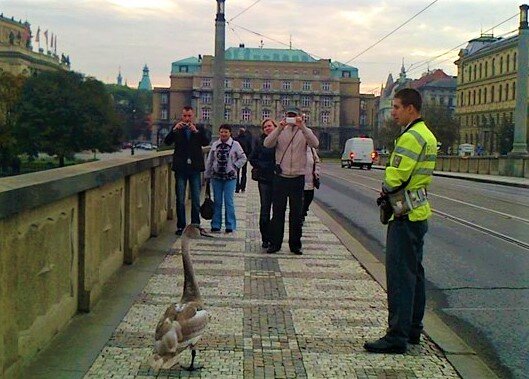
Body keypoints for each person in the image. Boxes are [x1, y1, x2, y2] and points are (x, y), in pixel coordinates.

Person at [364, 88, 437, 354]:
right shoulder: (427, 134)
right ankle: (413, 329)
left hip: (404, 213)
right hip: (419, 212)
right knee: (414, 274)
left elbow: (397, 177)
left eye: (396, 107)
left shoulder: (410, 137)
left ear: (410, 108)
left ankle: (396, 336)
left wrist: (385, 186)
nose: (393, 112)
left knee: (399, 277)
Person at [264, 107, 319, 255]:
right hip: (281, 177)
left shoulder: (304, 131)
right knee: (278, 213)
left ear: (300, 116)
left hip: (298, 177)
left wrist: (303, 126)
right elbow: (267, 143)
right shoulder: (281, 131)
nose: (292, 119)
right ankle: (275, 243)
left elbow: (315, 143)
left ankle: (295, 245)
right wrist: (279, 128)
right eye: (289, 116)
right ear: (285, 116)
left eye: (294, 116)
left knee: (296, 214)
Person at [164, 106, 211, 236]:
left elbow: (206, 142)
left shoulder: (199, 128)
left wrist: (196, 131)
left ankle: (195, 224)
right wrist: (173, 130)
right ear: (182, 116)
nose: (187, 119)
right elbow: (167, 142)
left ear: (193, 116)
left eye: (189, 116)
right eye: (184, 116)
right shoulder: (177, 129)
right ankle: (181, 226)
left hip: (195, 168)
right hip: (181, 168)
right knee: (180, 198)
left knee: (196, 198)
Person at [204, 124, 247, 233]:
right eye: (222, 132)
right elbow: (210, 160)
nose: (223, 134)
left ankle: (230, 225)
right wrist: (207, 175)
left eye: (226, 132)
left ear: (230, 133)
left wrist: (235, 166)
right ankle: (216, 224)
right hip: (216, 177)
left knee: (229, 201)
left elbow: (243, 158)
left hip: (230, 177)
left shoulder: (235, 144)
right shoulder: (215, 145)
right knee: (217, 201)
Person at [249, 119, 278, 248]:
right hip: (264, 179)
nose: (267, 128)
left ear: (275, 127)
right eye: (265, 127)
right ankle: (265, 238)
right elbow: (252, 158)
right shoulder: (260, 142)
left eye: (269, 126)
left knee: (277, 210)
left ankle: (274, 237)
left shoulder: (280, 140)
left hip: (279, 179)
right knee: (265, 209)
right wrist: (262, 166)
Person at [302, 146, 321, 225]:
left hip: (310, 179)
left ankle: (304, 210)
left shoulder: (312, 150)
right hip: (298, 179)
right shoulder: (297, 147)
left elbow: (317, 161)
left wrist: (316, 171)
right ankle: (301, 215)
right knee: (300, 200)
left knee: (309, 197)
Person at [234, 127, 253, 193]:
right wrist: (248, 157)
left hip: (236, 158)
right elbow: (250, 148)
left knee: (237, 173)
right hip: (244, 157)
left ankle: (237, 188)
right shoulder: (247, 139)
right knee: (244, 173)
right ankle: (243, 187)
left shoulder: (236, 139)